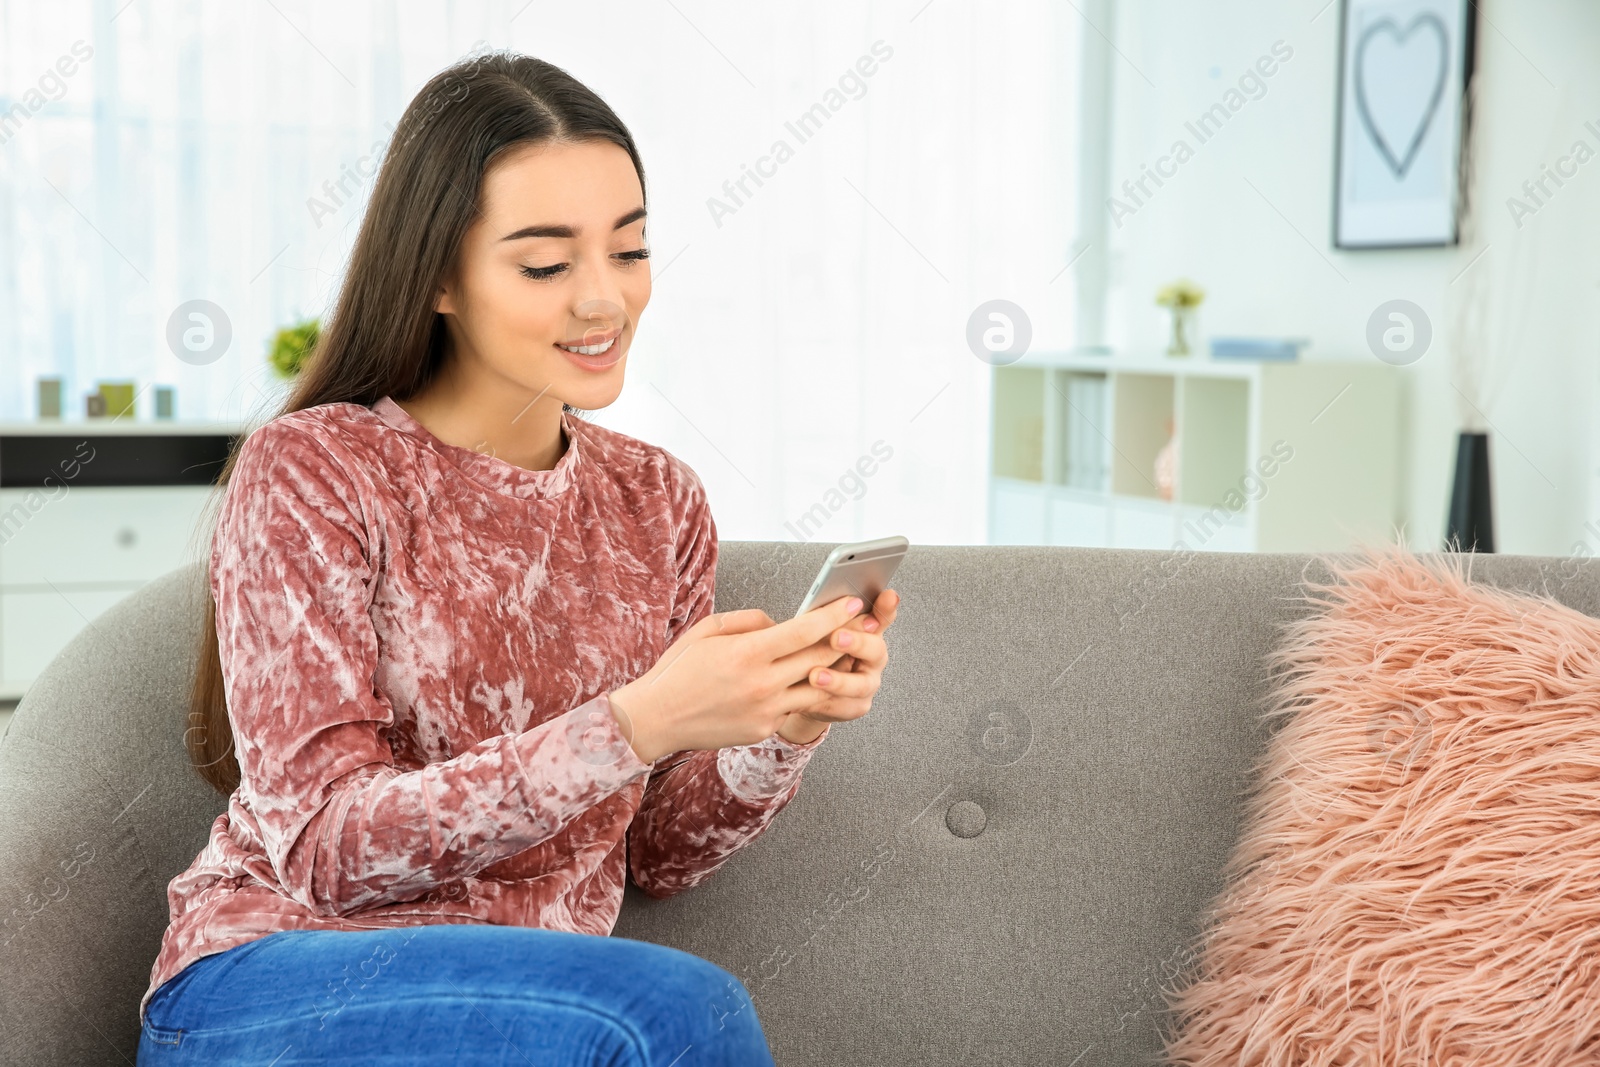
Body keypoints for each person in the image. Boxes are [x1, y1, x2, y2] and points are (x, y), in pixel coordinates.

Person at [138, 48, 899, 1066]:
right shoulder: (318, 468)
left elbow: (659, 852)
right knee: (677, 1014)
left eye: (628, 250)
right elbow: (323, 851)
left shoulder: (655, 498)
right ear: (439, 276)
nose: (604, 300)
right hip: (279, 979)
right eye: (546, 264)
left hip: (536, 1009)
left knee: (653, 1012)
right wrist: (638, 717)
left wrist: (781, 728)